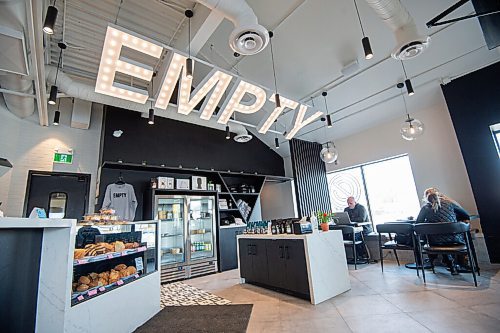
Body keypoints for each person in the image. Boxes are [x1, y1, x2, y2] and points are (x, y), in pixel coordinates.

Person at [416, 188, 470, 275]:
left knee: (439, 237)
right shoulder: (450, 203)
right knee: (444, 236)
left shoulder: (425, 208)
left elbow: (418, 225)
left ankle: (441, 262)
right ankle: (454, 264)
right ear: (439, 194)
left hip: (434, 242)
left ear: (426, 198)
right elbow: (466, 215)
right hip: (456, 239)